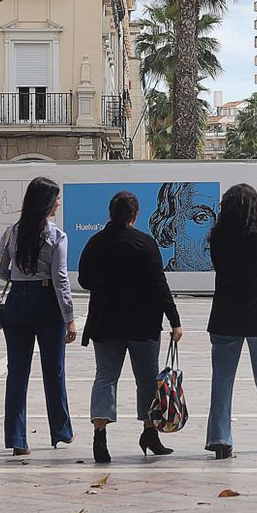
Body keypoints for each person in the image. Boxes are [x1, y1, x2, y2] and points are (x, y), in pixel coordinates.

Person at [78, 190, 184, 463]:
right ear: (135, 215)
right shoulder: (145, 244)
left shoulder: (96, 242)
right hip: (142, 324)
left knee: (105, 377)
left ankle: (99, 436)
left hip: (105, 322)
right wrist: (174, 320)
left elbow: (84, 280)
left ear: (110, 214)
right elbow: (159, 285)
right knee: (146, 380)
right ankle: (149, 433)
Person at [204, 183, 257, 459]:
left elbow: (219, 267)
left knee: (222, 380)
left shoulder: (218, 236)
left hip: (225, 316)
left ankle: (220, 438)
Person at [0, 176, 75, 457]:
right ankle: (60, 431)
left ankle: (17, 439)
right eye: (55, 198)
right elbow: (60, 280)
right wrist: (70, 317)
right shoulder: (56, 236)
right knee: (54, 369)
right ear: (46, 203)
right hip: (46, 302)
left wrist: (20, 278)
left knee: (17, 372)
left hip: (16, 301)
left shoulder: (11, 232)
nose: (58, 203)